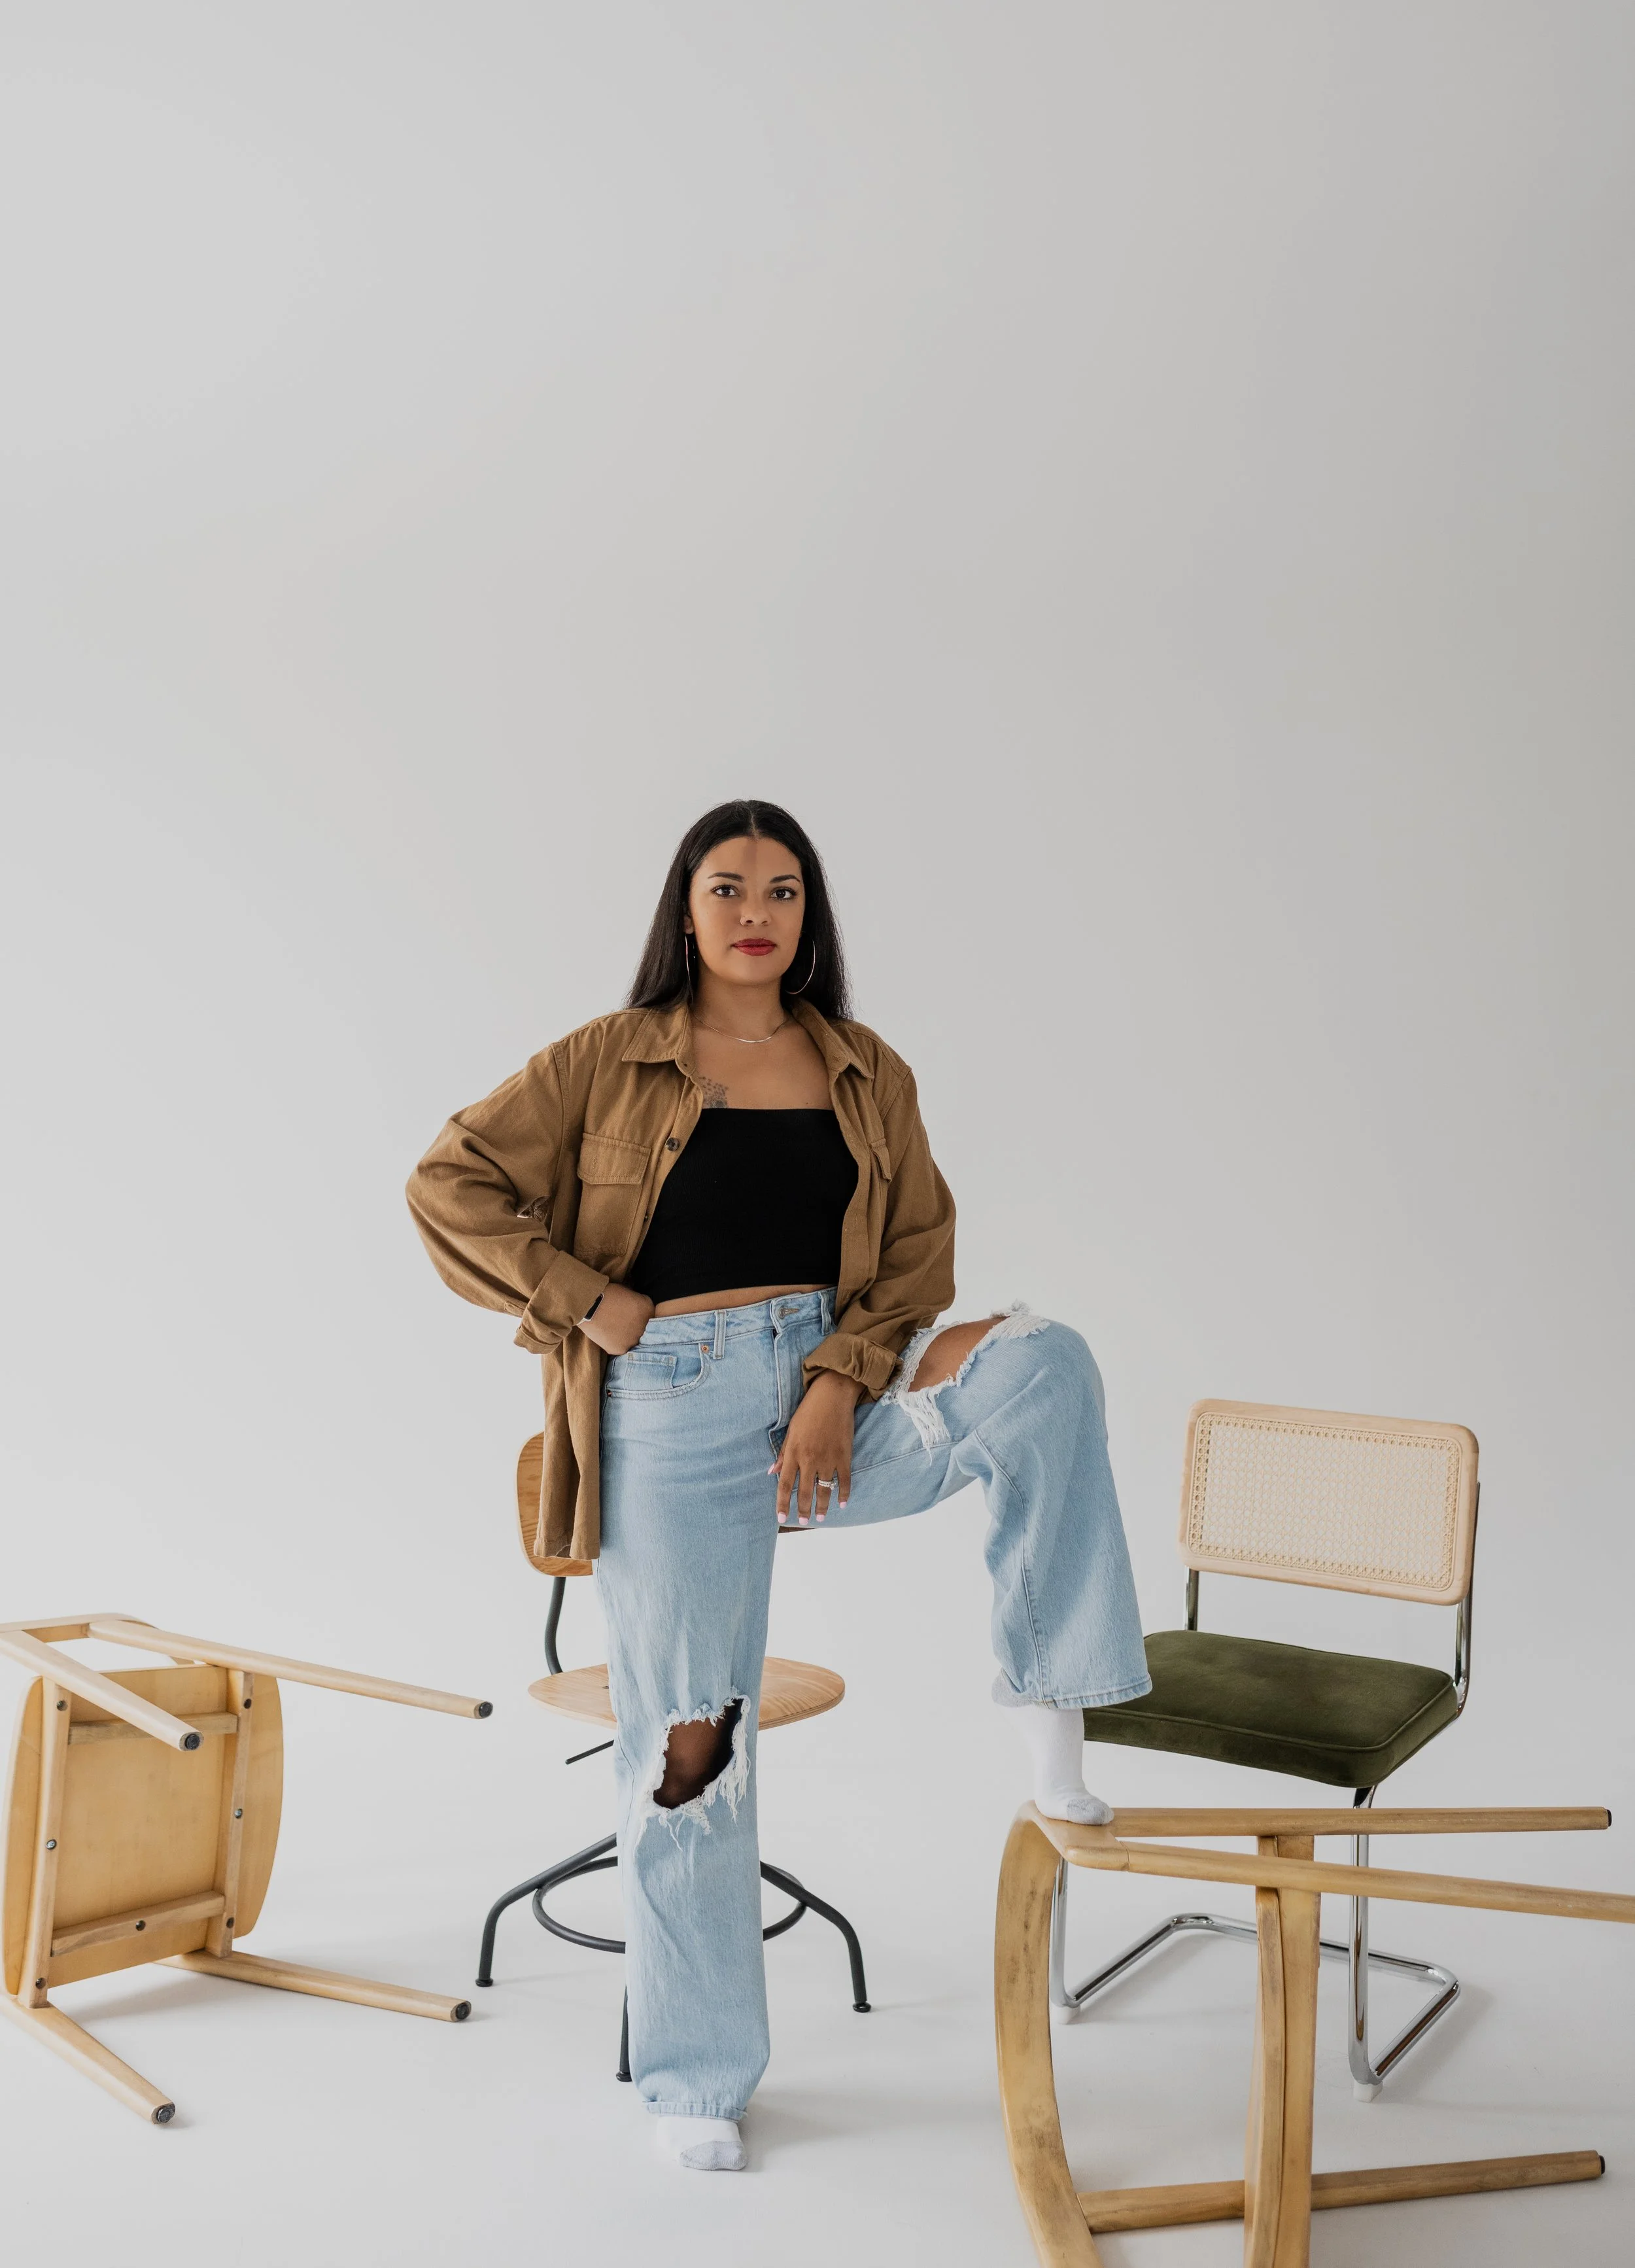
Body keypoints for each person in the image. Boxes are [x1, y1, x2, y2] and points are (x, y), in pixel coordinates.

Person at [406, 797, 1150, 2172]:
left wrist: (836, 1381)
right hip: (671, 1414)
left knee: (1045, 1363)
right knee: (691, 1755)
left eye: (783, 889)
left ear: (810, 914)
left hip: (832, 1397)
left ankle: (1052, 1707)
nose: (756, 911)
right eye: (728, 886)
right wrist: (593, 1304)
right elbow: (448, 1182)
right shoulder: (605, 1056)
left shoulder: (864, 1067)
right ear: (685, 909)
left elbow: (916, 1256)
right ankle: (697, 2077)